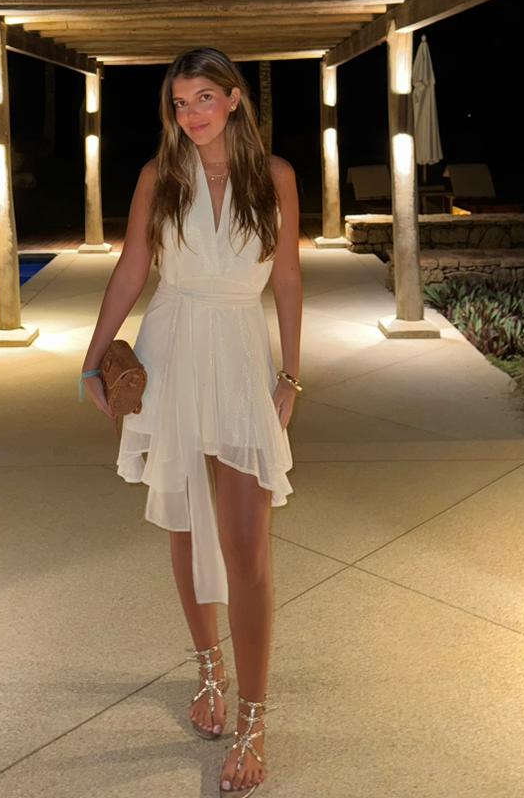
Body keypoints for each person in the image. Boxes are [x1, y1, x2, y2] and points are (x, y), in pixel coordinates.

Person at [80, 47, 302, 797]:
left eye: (205, 97)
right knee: (183, 523)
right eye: (180, 103)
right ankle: (209, 669)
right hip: (171, 347)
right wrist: (92, 359)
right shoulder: (160, 175)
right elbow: (132, 269)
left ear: (235, 98)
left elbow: (289, 277)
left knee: (247, 547)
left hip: (239, 352)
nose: (191, 114)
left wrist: (291, 373)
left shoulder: (274, 177)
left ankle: (254, 718)